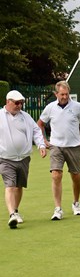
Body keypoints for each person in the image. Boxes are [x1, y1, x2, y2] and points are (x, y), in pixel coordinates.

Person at [37, 81, 80, 220]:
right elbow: (40, 124)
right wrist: (43, 140)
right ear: (56, 94)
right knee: (56, 175)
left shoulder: (76, 106)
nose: (64, 97)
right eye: (62, 94)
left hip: (74, 146)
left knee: (76, 176)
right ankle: (58, 208)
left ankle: (76, 203)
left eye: (66, 94)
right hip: (56, 146)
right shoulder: (50, 108)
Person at [0, 90, 47, 229]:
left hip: (24, 158)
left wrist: (41, 145)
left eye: (21, 103)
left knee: (19, 186)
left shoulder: (26, 117)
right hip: (5, 158)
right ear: (8, 101)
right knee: (10, 185)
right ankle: (11, 214)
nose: (19, 105)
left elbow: (37, 131)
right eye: (16, 103)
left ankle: (15, 210)